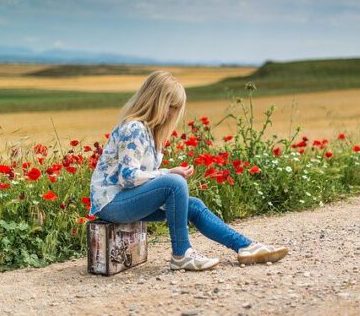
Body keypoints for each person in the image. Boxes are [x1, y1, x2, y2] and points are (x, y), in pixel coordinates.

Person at [88, 70, 288, 271]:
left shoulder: (149, 132)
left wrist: (167, 173)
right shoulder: (134, 129)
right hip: (112, 203)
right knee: (175, 183)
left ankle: (245, 246)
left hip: (127, 200)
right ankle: (181, 254)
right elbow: (127, 178)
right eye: (170, 107)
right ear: (155, 101)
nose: (171, 114)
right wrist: (168, 174)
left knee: (193, 204)